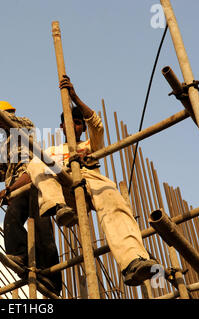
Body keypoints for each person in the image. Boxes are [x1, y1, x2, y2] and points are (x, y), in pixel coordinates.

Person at [26, 75, 159, 286]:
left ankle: (132, 262)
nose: (73, 126)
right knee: (36, 162)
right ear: (61, 126)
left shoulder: (91, 143)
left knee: (113, 201)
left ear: (82, 127)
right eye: (69, 122)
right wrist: (8, 190)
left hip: (90, 180)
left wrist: (74, 97)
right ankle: (57, 207)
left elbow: (97, 125)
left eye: (77, 123)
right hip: (65, 188)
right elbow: (31, 173)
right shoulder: (53, 151)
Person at [0, 86, 66, 295]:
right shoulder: (5, 145)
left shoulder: (24, 127)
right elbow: (1, 173)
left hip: (32, 181)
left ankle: (52, 279)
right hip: (15, 189)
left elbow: (16, 123)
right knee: (12, 221)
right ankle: (22, 257)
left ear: (7, 115)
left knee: (42, 229)